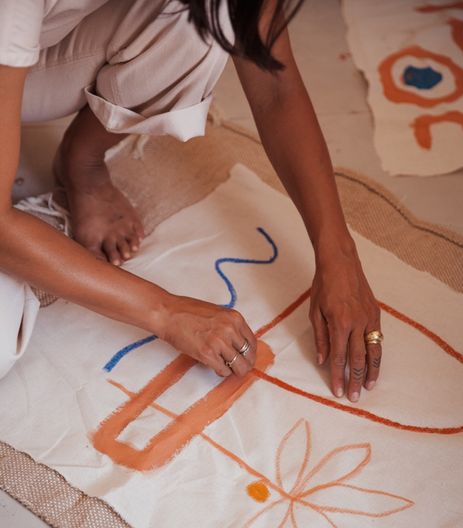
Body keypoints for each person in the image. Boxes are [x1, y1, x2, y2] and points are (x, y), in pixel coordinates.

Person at [0, 0, 383, 402]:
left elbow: (275, 86)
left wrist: (339, 255)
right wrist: (164, 312)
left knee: (215, 16)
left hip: (32, 49)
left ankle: (82, 160)